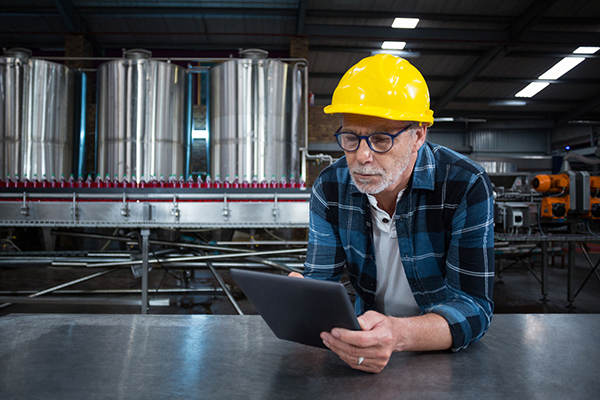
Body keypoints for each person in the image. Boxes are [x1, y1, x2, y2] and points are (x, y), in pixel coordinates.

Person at [291, 54, 494, 373]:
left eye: (381, 139)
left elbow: (474, 307)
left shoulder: (464, 183)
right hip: (364, 347)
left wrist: (399, 334)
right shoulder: (330, 186)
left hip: (442, 355)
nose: (362, 156)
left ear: (418, 135)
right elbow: (320, 280)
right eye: (350, 138)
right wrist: (305, 298)